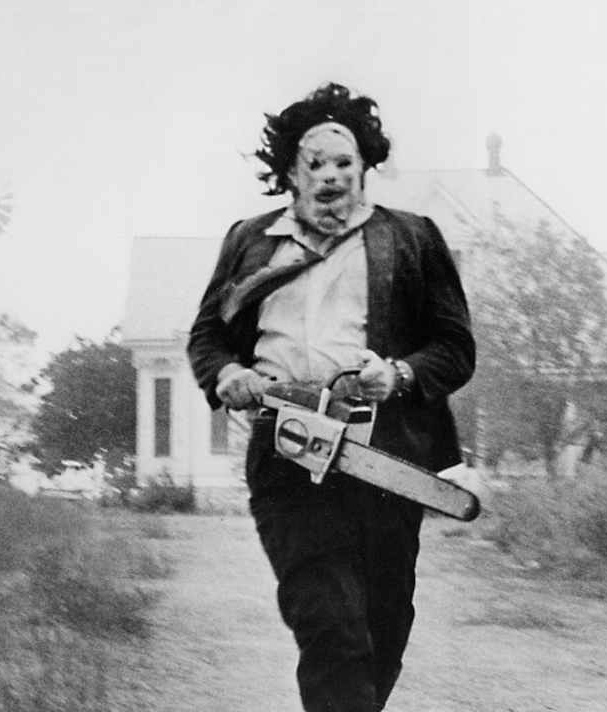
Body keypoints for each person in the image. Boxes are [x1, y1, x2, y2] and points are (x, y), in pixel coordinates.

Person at [188, 82, 475, 712]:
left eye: (344, 161)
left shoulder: (411, 239)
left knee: (381, 629)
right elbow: (208, 337)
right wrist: (227, 374)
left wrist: (397, 374)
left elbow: (456, 349)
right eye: (314, 163)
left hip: (385, 459)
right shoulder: (250, 242)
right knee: (329, 625)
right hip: (286, 452)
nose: (330, 175)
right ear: (290, 174)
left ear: (365, 167)